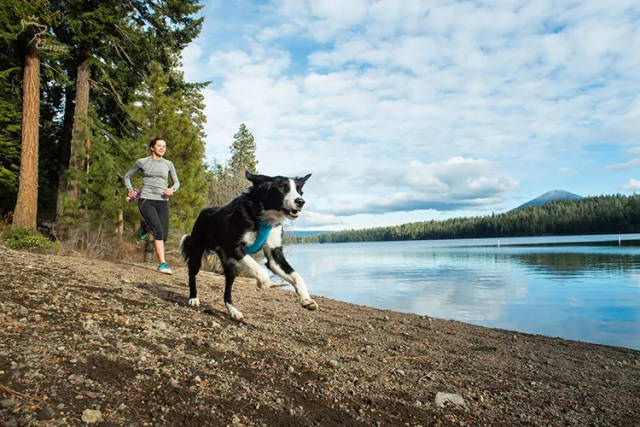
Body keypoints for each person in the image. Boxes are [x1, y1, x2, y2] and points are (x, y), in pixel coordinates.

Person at [124, 137, 180, 274]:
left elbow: (177, 183)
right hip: (146, 200)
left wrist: (171, 189)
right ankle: (162, 263)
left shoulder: (168, 164)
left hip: (163, 201)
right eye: (159, 145)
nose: (162, 148)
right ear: (152, 148)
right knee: (159, 231)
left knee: (164, 235)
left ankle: (146, 226)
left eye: (164, 146)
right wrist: (130, 190)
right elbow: (127, 176)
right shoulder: (142, 162)